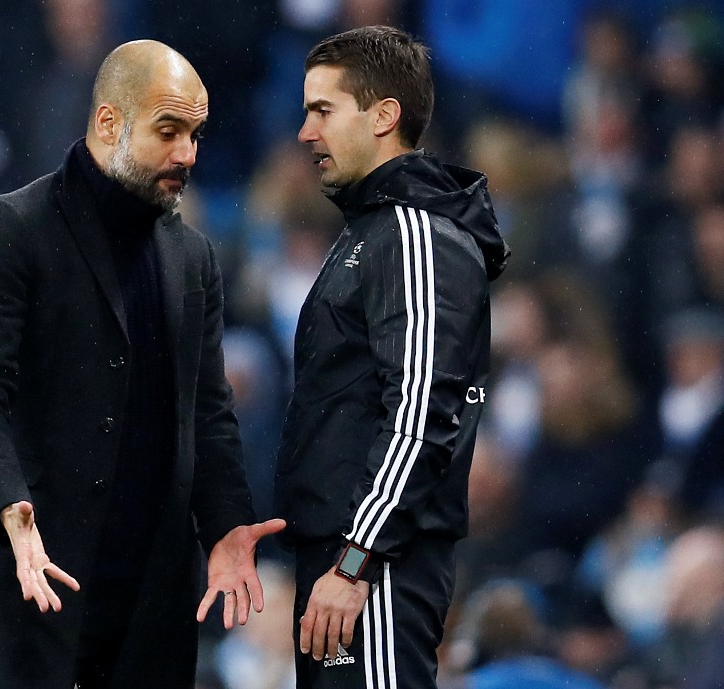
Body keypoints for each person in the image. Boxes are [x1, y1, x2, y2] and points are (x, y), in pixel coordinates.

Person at [0, 39, 284, 689]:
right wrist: (7, 502)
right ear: (107, 123)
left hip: (148, 615)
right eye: (169, 130)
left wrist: (229, 523)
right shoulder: (10, 228)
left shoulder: (194, 257)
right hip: (29, 589)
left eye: (196, 133)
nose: (188, 152)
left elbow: (207, 412)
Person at [273, 26, 510, 689]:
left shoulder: (413, 232)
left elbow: (424, 409)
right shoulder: (370, 231)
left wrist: (355, 561)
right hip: (342, 558)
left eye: (323, 111)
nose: (305, 132)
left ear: (384, 116)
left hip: (373, 568)